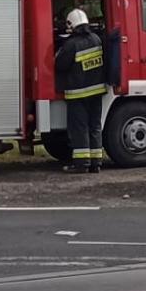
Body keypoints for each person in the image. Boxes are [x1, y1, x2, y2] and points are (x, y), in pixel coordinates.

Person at [54, 9, 108, 174]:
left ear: (71, 24)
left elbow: (61, 65)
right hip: (97, 91)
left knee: (80, 128)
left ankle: (81, 163)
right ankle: (96, 163)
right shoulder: (96, 39)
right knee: (95, 126)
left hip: (78, 93)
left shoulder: (71, 44)